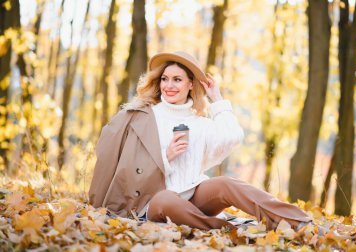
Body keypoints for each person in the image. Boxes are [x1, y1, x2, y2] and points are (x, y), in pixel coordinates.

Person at [88, 51, 311, 231]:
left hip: (193, 197)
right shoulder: (144, 117)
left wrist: (217, 98)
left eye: (177, 80)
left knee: (226, 183)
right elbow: (125, 169)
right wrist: (166, 157)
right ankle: (229, 229)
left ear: (191, 85)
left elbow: (232, 137)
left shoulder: (199, 123)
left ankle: (298, 222)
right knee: (166, 198)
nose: (169, 86)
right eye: (165, 79)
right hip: (151, 203)